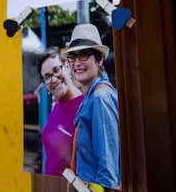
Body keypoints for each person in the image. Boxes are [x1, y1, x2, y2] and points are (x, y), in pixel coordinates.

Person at [62, 23, 121, 190]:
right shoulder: (92, 96)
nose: (76, 63)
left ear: (100, 59)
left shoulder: (100, 98)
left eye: (84, 55)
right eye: (72, 57)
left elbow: (108, 170)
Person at [37, 46, 85, 177]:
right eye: (47, 77)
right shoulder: (56, 107)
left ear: (68, 67)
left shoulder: (86, 106)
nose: (53, 79)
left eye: (56, 70)